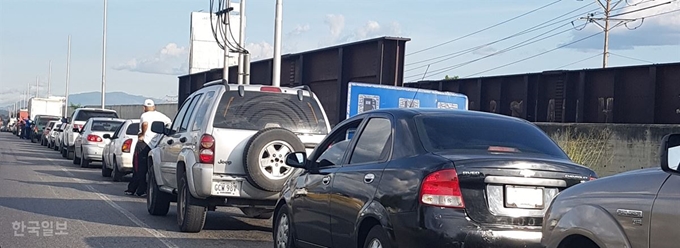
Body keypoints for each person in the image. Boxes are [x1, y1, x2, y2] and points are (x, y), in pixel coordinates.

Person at [126, 99, 171, 197]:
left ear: (144, 108)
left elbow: (145, 124)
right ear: (154, 107)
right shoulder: (161, 116)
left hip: (144, 143)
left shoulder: (144, 115)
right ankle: (140, 189)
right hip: (155, 145)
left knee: (139, 167)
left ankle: (138, 189)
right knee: (150, 167)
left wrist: (142, 134)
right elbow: (169, 123)